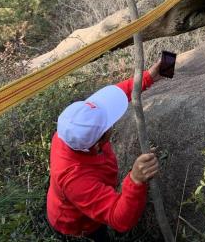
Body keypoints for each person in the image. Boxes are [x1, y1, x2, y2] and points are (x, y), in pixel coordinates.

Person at [46, 61, 165, 241]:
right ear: (99, 143)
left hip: (83, 200)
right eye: (108, 123)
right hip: (77, 227)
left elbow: (111, 99)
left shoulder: (70, 131)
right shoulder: (75, 179)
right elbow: (119, 219)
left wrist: (148, 77)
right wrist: (135, 180)